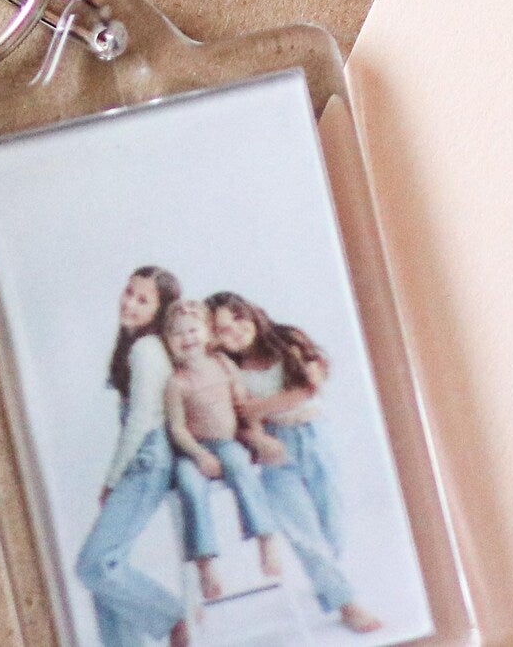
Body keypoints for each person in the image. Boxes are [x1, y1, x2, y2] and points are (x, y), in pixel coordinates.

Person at [206, 292, 382, 635]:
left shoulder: (287, 339)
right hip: (275, 447)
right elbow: (237, 419)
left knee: (332, 524)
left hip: (314, 435)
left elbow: (308, 387)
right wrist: (257, 436)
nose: (235, 331)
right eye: (223, 330)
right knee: (302, 533)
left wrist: (259, 407)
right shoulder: (227, 368)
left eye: (238, 319)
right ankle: (348, 603)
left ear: (252, 314)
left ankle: (328, 583)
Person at [75, 266, 190, 647]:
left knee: (95, 565)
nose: (130, 303)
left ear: (160, 310)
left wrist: (111, 479)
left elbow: (139, 421)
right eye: (129, 293)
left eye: (143, 300)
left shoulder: (145, 349)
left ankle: (173, 618)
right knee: (106, 571)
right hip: (142, 462)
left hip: (147, 464)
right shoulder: (134, 344)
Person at [161, 299, 284, 603]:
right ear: (169, 342)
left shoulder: (223, 364)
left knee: (240, 467)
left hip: (227, 443)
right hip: (194, 451)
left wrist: (255, 437)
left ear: (207, 333)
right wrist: (199, 455)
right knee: (189, 485)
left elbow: (242, 404)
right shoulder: (176, 383)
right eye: (178, 333)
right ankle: (205, 565)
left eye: (193, 330)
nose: (187, 338)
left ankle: (265, 539)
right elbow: (177, 429)